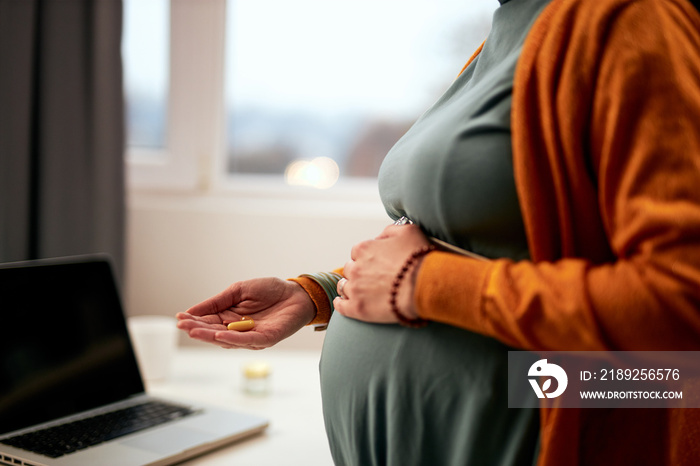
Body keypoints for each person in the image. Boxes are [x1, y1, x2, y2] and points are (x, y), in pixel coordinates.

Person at [177, 0, 700, 464]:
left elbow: (677, 305)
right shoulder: (511, 29)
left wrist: (421, 284)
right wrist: (324, 291)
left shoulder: (632, 16)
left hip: (529, 425)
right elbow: (485, 244)